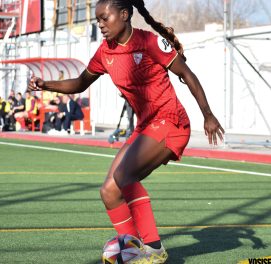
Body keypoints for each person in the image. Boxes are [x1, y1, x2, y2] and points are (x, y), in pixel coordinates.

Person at [28, 0, 224, 263]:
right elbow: (80, 83)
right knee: (109, 191)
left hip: (171, 122)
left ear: (124, 14)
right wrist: (45, 84)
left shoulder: (150, 43)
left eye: (104, 18)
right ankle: (135, 251)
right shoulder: (104, 52)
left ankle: (153, 249)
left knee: (123, 176)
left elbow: (187, 74)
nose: (100, 25)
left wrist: (208, 114)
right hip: (146, 126)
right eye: (97, 20)